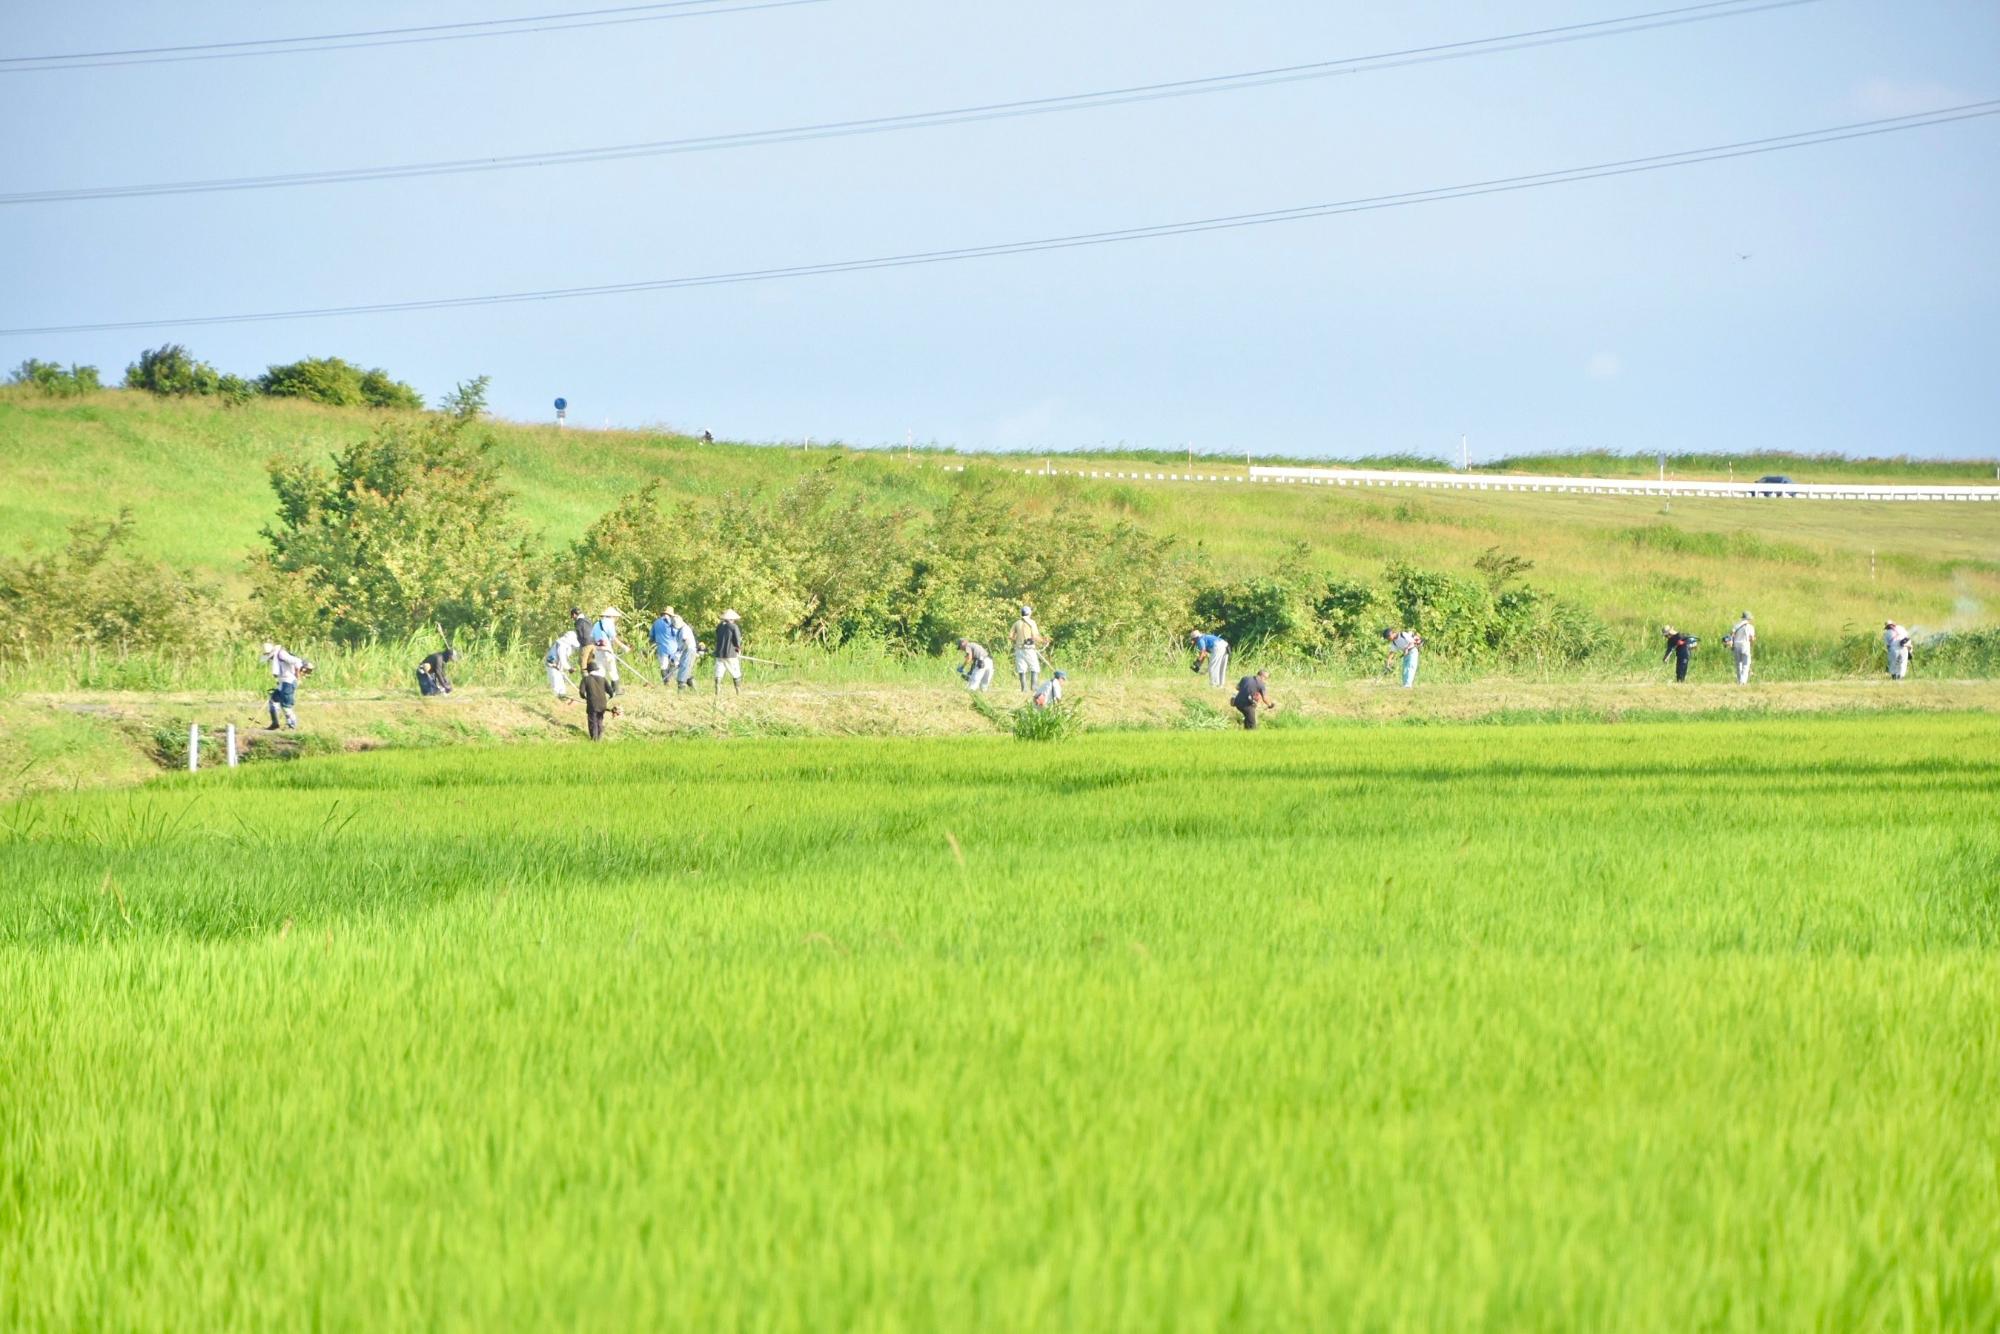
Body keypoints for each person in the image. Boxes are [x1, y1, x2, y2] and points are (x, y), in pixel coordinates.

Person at [259, 640, 306, 730]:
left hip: (288, 682)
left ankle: (292, 725)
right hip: (282, 682)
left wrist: (298, 677)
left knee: (285, 705)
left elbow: (297, 662)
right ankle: (275, 723)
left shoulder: (281, 654)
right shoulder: (276, 657)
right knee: (273, 701)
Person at [591, 607, 631, 696]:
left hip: (597, 649)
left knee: (600, 670)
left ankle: (599, 690)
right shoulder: (609, 623)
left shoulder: (596, 624)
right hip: (607, 650)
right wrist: (624, 647)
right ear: (612, 616)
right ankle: (616, 690)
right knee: (612, 669)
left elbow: (592, 637)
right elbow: (614, 638)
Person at [1009, 604, 1048, 692]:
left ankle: (1024, 688)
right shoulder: (1032, 622)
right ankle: (1033, 687)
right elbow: (1035, 636)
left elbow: (1010, 636)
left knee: (1021, 668)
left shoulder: (1016, 623)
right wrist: (1043, 641)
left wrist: (1018, 640)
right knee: (1034, 667)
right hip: (1029, 649)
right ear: (1029, 613)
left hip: (1019, 649)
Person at [580, 652, 614, 741]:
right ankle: (599, 738)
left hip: (592, 704)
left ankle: (594, 739)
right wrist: (610, 696)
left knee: (592, 721)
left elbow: (581, 692)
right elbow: (610, 691)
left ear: (589, 671)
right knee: (599, 720)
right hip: (603, 703)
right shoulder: (602, 679)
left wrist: (584, 697)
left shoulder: (586, 679)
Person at [713, 609, 743, 695]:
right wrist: (738, 648)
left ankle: (717, 690)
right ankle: (738, 691)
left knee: (719, 672)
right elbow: (737, 640)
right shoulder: (734, 627)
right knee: (735, 672)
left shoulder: (719, 626)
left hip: (719, 653)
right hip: (730, 654)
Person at [545, 627, 579, 698]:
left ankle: (562, 696)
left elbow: (563, 659)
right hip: (552, 665)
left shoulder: (566, 646)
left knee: (561, 683)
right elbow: (562, 659)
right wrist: (569, 668)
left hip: (557, 665)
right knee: (556, 681)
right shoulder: (562, 646)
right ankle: (556, 699)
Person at [651, 608, 680, 686]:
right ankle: (672, 680)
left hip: (661, 648)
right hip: (673, 648)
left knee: (663, 666)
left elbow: (651, 636)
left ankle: (666, 683)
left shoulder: (655, 623)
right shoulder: (671, 622)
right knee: (675, 665)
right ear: (670, 615)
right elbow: (676, 633)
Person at [1726, 611, 1756, 685]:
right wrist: (1752, 642)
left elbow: (1731, 634)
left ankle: (1739, 681)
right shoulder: (1750, 627)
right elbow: (1751, 638)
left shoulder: (1736, 625)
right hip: (1745, 645)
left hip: (1736, 645)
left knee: (1738, 664)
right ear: (1749, 618)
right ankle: (1743, 681)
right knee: (1746, 664)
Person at [674, 613, 700, 690]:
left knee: (684, 669)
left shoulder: (684, 629)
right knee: (686, 671)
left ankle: (681, 690)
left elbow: (686, 642)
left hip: (689, 650)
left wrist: (679, 654)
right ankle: (695, 690)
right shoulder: (681, 629)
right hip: (686, 650)